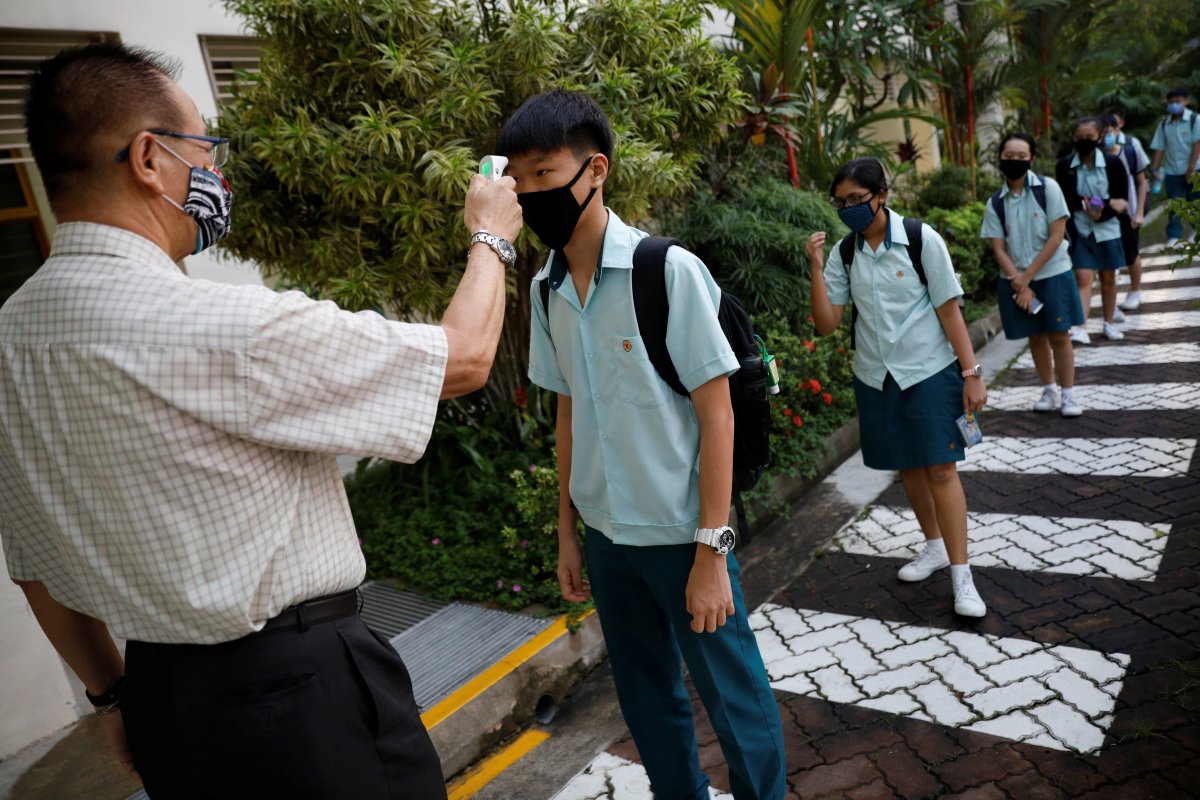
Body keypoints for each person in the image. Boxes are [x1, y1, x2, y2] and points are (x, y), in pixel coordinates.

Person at [1, 43, 522, 800]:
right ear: (149, 159)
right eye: (205, 151)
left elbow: (33, 567)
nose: (220, 176)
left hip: (163, 702)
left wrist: (112, 696)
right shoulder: (221, 325)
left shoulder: (13, 335)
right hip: (300, 699)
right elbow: (465, 358)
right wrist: (491, 235)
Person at [499, 89, 786, 800]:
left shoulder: (667, 271)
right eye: (519, 178)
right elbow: (566, 417)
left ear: (595, 170)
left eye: (545, 173)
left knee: (734, 699)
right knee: (648, 701)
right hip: (607, 538)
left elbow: (717, 415)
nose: (531, 193)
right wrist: (568, 530)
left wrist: (712, 552)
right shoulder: (545, 288)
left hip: (684, 534)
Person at [806, 158, 989, 618]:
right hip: (875, 375)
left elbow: (950, 310)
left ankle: (962, 576)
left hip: (928, 370)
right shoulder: (844, 253)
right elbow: (827, 325)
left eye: (856, 200)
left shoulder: (921, 239)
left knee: (941, 470)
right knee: (908, 467)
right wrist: (813, 266)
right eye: (841, 202)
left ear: (881, 195)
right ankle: (933, 548)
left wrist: (971, 375)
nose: (848, 209)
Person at [982, 133, 1084, 417]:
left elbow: (1057, 236)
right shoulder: (995, 203)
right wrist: (1020, 282)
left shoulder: (1048, 188)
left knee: (1059, 335)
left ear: (1032, 159)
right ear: (999, 158)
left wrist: (1027, 276)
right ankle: (1049, 389)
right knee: (1036, 337)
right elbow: (998, 248)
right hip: (1016, 278)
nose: (1015, 161)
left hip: (1053, 273)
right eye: (1009, 156)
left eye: (1021, 156)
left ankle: (1069, 395)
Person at [1058, 116, 1130, 344]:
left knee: (1108, 278)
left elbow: (1122, 201)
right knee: (1083, 276)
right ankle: (1080, 326)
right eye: (1079, 138)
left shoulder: (1113, 163)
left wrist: (1103, 210)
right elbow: (1066, 198)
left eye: (1089, 137)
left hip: (1108, 229)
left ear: (1099, 137)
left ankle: (1109, 323)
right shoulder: (1065, 166)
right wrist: (1089, 204)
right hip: (1081, 231)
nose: (1084, 141)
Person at [1103, 114, 1149, 324]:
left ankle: (1135, 290)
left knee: (1132, 253)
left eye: (1109, 131)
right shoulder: (1096, 157)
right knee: (1110, 260)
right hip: (1107, 215)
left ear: (1117, 129)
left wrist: (1139, 212)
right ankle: (1111, 307)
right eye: (1102, 133)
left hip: (1129, 213)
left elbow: (1142, 182)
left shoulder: (1130, 151)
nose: (1106, 136)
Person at [1148, 87, 1200, 247]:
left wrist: (1190, 169)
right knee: (1175, 205)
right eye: (1171, 103)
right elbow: (1159, 147)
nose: (1174, 105)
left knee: (1195, 203)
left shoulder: (1195, 120)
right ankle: (1174, 236)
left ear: (1186, 101)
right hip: (1172, 171)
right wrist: (1155, 169)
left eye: (1177, 102)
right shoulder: (1164, 124)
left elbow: (1197, 145)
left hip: (1195, 169)